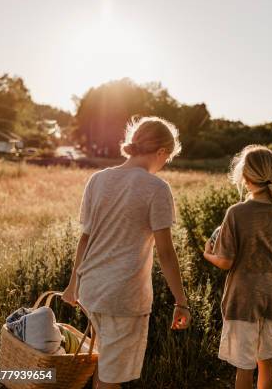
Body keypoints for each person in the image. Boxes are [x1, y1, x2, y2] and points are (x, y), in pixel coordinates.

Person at [62, 116, 191, 389]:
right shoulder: (156, 188)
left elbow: (85, 239)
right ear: (161, 152)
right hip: (124, 298)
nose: (164, 164)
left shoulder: (97, 180)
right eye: (167, 158)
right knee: (111, 378)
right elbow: (166, 253)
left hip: (92, 291)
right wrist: (181, 301)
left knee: (104, 367)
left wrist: (73, 284)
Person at [204, 145, 272, 389]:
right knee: (266, 362)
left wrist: (208, 254)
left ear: (245, 177)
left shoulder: (236, 213)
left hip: (244, 301)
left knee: (244, 367)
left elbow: (226, 261)